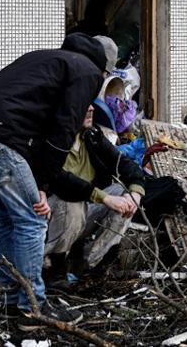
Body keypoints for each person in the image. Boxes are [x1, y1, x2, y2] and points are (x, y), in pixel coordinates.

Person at [0, 33, 117, 330]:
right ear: (104, 70)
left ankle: (11, 299)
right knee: (31, 219)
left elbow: (32, 128)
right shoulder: (87, 72)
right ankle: (33, 308)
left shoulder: (48, 58)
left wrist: (39, 179)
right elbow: (62, 131)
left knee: (3, 217)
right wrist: (43, 185)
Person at [43, 104, 145, 291]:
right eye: (83, 102)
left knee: (123, 195)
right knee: (72, 201)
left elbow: (124, 163)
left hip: (83, 213)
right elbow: (62, 182)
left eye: (91, 102)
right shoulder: (52, 140)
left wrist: (135, 194)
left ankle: (89, 264)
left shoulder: (91, 136)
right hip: (52, 219)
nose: (90, 108)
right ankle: (54, 270)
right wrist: (103, 197)